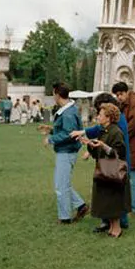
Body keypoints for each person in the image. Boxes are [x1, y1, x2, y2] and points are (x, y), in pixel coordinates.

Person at [73, 92, 132, 233]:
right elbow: (98, 151)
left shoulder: (115, 130)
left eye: (100, 113)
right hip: (104, 169)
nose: (97, 116)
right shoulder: (104, 130)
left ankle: (117, 227)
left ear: (108, 117)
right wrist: (89, 144)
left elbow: (118, 151)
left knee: (114, 199)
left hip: (113, 169)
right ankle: (111, 226)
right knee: (106, 198)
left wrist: (102, 146)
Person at [39, 82, 89, 225]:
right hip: (67, 151)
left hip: (66, 152)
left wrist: (51, 139)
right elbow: (68, 131)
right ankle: (81, 206)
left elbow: (69, 134)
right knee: (63, 184)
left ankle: (65, 217)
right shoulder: (70, 110)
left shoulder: (67, 113)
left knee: (60, 186)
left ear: (57, 94)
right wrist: (51, 130)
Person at [113, 81, 135, 215]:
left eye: (120, 94)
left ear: (126, 92)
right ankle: (133, 204)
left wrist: (123, 134)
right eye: (117, 95)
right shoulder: (128, 103)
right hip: (131, 143)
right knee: (130, 175)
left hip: (134, 144)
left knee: (133, 176)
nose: (119, 97)